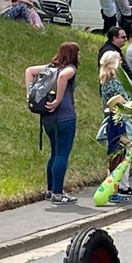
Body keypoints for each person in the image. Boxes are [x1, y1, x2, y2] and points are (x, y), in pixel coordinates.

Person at [25, 41, 81, 203]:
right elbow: (64, 76)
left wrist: (30, 93)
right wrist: (58, 99)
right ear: (73, 54)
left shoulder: (49, 67)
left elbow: (29, 71)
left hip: (47, 118)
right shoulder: (69, 69)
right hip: (65, 117)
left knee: (54, 153)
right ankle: (58, 193)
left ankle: (50, 190)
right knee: (62, 154)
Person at [97, 49, 132, 202]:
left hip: (114, 120)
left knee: (116, 158)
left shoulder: (106, 82)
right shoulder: (115, 83)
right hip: (118, 120)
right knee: (118, 159)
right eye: (119, 59)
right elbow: (118, 104)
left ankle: (113, 190)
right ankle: (113, 191)